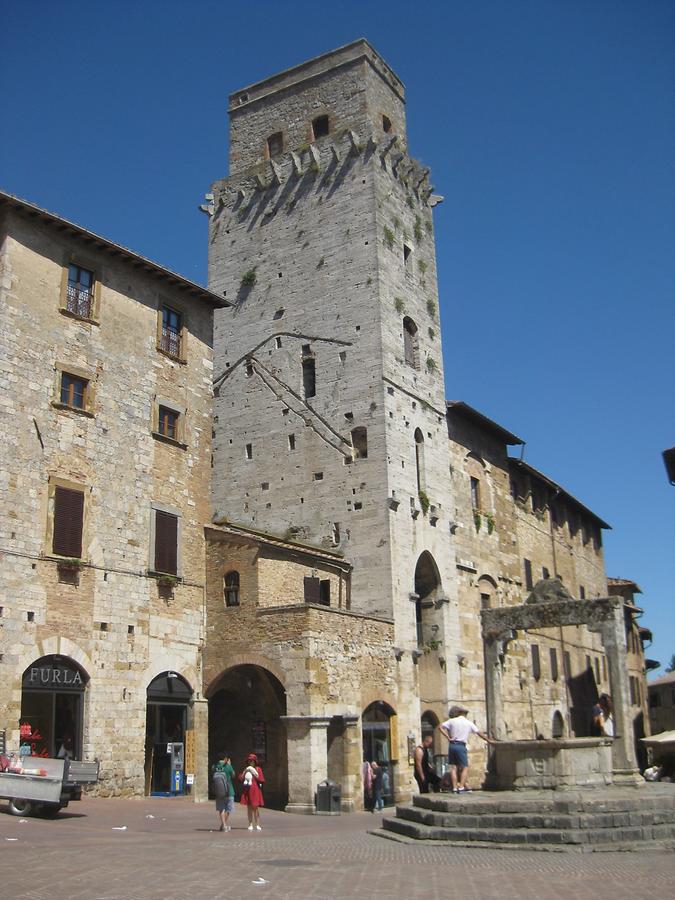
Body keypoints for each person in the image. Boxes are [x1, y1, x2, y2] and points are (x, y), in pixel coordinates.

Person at [439, 704, 494, 794]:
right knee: (465, 767)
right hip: (461, 745)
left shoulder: (452, 721)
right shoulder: (468, 722)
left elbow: (440, 727)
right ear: (463, 714)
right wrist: (488, 740)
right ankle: (461, 787)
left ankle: (454, 788)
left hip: (452, 745)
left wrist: (448, 737)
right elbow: (478, 733)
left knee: (453, 767)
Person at [239, 753, 265, 830]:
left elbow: (261, 779)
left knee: (255, 807)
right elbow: (241, 778)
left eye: (252, 761)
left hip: (255, 790)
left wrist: (255, 773)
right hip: (248, 790)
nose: (250, 762)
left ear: (255, 761)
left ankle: (257, 824)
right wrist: (244, 773)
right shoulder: (246, 769)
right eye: (249, 761)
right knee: (249, 808)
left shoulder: (258, 769)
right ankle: (250, 824)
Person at [212, 752, 236, 832]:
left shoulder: (214, 766)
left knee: (221, 809)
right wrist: (229, 764)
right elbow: (233, 775)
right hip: (229, 791)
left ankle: (223, 825)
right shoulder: (228, 767)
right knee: (229, 809)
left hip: (219, 791)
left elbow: (212, 773)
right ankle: (224, 825)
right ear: (225, 758)